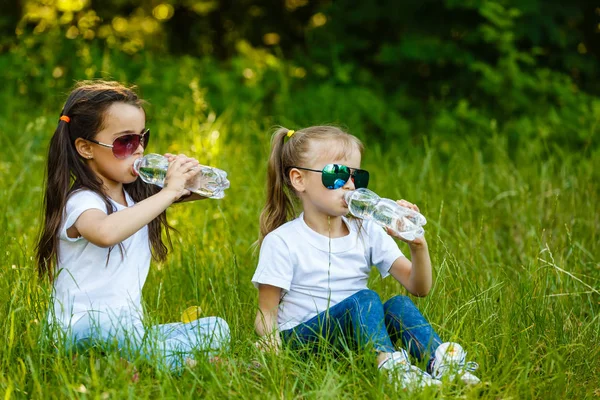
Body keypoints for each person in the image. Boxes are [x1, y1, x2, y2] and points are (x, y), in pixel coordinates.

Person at [252, 126, 480, 389]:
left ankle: (444, 364)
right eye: (336, 175)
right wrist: (273, 356)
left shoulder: (367, 230)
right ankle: (390, 369)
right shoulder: (283, 241)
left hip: (354, 339)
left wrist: (417, 245)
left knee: (398, 305)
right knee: (366, 299)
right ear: (299, 179)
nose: (349, 185)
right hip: (304, 343)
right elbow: (265, 315)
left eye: (356, 177)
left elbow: (419, 288)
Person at [36, 80, 229, 371]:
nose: (138, 150)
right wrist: (167, 192)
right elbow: (105, 233)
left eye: (142, 139)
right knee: (116, 333)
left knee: (217, 328)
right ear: (86, 148)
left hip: (128, 332)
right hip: (79, 328)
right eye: (125, 142)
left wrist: (187, 175)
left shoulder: (133, 196)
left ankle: (117, 363)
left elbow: (211, 190)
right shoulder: (81, 201)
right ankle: (186, 364)